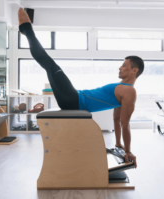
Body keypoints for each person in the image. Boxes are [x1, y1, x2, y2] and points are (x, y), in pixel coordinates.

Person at [18, 8, 144, 167]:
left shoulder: (128, 91)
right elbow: (116, 119)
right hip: (73, 98)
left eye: (124, 65)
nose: (120, 68)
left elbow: (124, 123)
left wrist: (127, 150)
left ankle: (27, 30)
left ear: (134, 70)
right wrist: (119, 144)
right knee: (48, 65)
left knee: (49, 64)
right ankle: (27, 32)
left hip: (73, 100)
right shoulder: (123, 89)